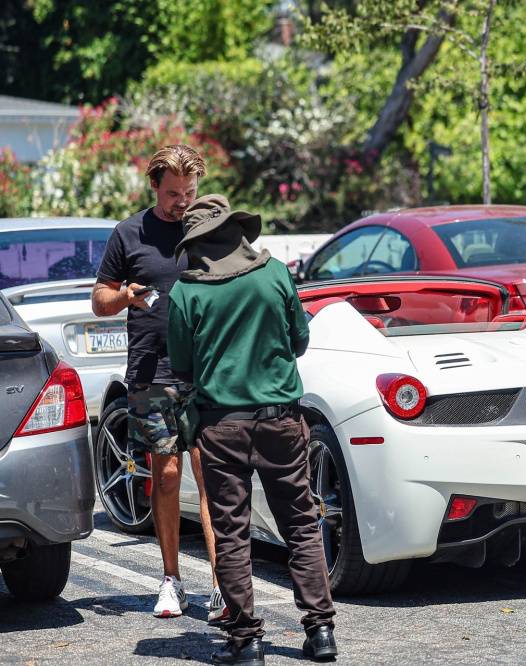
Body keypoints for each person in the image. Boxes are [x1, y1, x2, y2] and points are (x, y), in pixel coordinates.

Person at [167, 195, 337, 665]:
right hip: (281, 419)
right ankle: (320, 631)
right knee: (301, 523)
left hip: (221, 426)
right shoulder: (275, 273)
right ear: (236, 232)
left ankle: (247, 642)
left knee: (232, 531)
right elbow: (299, 340)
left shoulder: (186, 291)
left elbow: (181, 365)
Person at [92, 144, 225, 621]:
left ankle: (221, 582)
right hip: (152, 374)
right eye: (172, 193)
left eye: (189, 192)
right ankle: (171, 579)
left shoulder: (210, 231)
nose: (181, 202)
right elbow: (99, 299)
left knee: (213, 477)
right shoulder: (129, 233)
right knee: (166, 477)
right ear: (154, 187)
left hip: (208, 373)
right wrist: (124, 297)